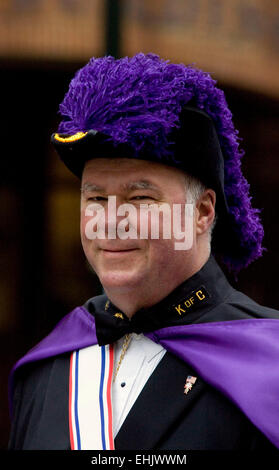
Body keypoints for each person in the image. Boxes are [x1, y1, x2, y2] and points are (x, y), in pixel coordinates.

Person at [8, 53, 279, 451]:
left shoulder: (271, 362)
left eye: (140, 197)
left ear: (203, 212)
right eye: (95, 197)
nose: (112, 220)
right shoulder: (44, 369)